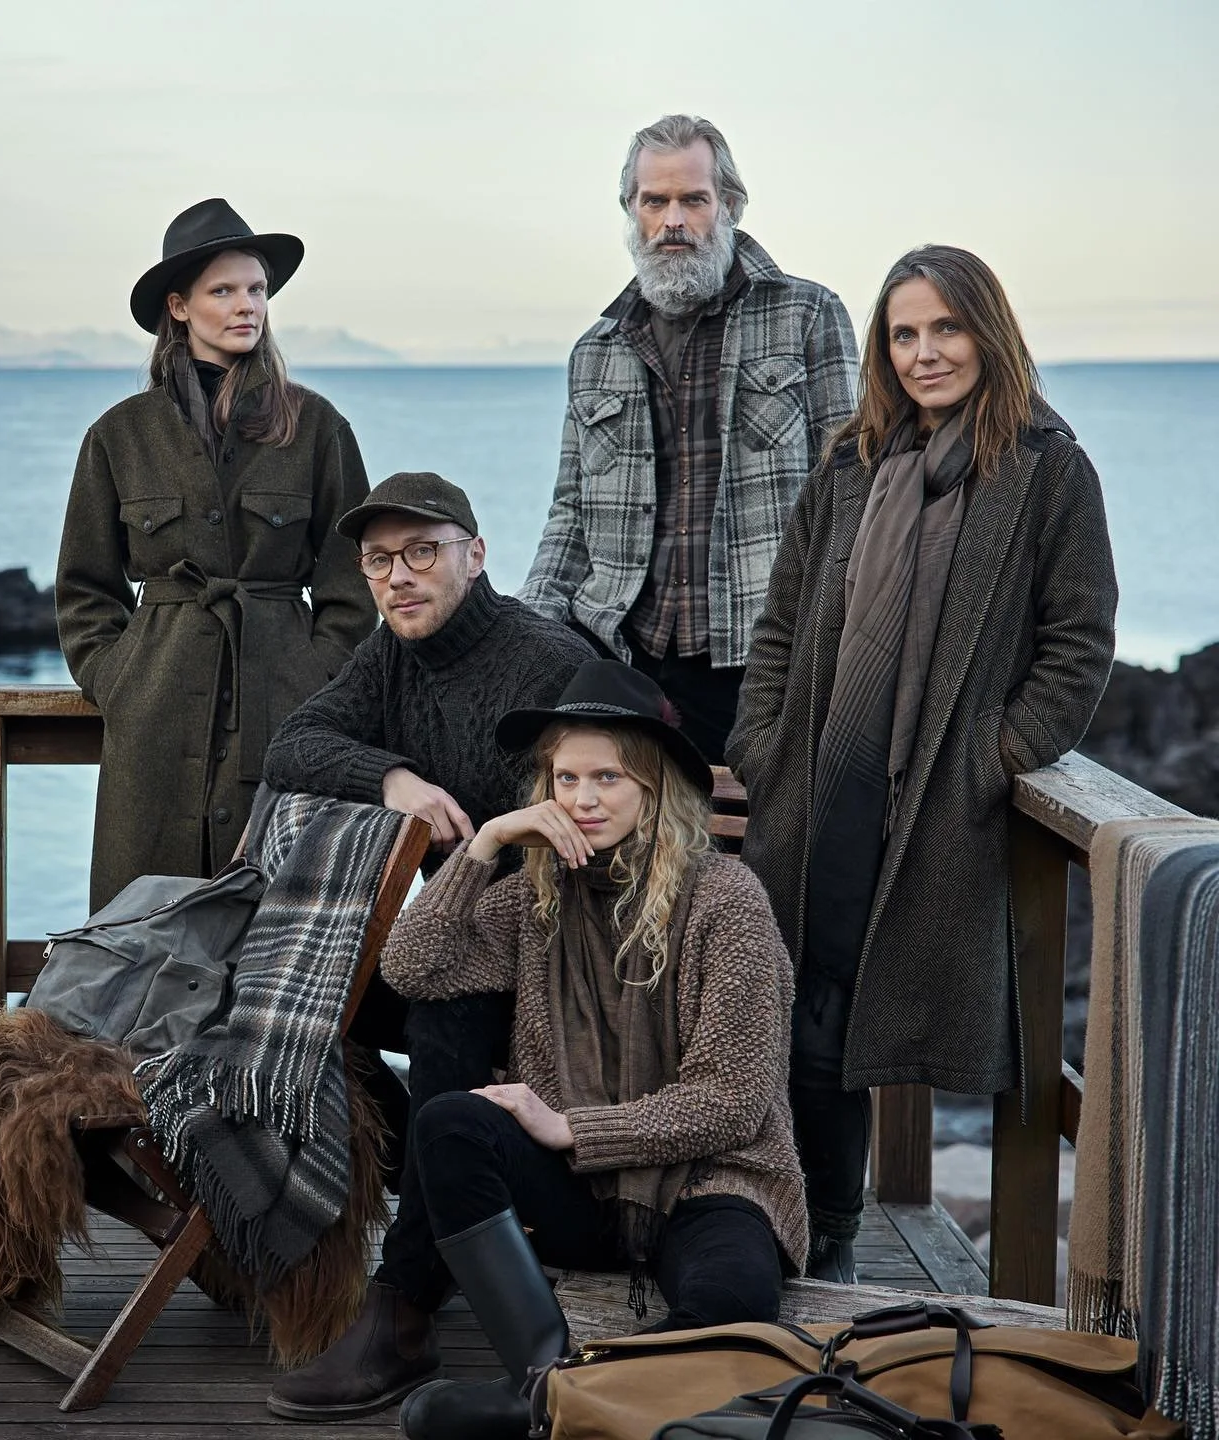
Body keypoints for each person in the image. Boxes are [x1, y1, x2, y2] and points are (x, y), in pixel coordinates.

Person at [727, 245, 1118, 1283]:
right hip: (822, 789)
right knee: (810, 1020)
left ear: (989, 333)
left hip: (943, 803)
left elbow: (1078, 643)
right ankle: (818, 1232)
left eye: (946, 328)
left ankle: (844, 1242)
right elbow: (781, 623)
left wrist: (997, 757)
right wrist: (763, 749)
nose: (925, 352)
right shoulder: (853, 461)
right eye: (905, 333)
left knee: (880, 1018)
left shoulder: (1047, 470)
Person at [361, 660, 805, 1440]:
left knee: (735, 1303)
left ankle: (559, 1405)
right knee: (447, 1126)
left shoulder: (727, 900)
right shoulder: (537, 896)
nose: (584, 799)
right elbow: (412, 968)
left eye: (607, 777)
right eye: (565, 779)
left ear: (654, 786)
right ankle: (541, 1372)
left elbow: (733, 1099)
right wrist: (488, 841)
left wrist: (574, 1128)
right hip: (586, 1195)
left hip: (707, 1186)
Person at [264, 471, 595, 1421]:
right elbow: (297, 741)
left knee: (446, 1008)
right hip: (467, 929)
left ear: (475, 556)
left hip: (568, 946)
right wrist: (394, 776)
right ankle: (445, 1187)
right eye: (378, 560)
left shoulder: (543, 662)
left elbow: (622, 797)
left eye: (422, 553)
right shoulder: (395, 653)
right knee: (316, 1003)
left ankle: (405, 1305)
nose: (399, 577)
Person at [55, 199, 374, 910]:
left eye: (256, 289)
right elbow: (84, 588)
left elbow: (354, 582)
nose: (247, 306)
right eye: (223, 291)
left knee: (273, 925)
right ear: (179, 306)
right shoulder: (119, 436)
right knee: (141, 929)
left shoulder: (316, 426)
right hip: (155, 712)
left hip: (283, 706)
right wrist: (119, 680)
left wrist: (316, 676)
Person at [519, 114, 858, 763]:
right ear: (631, 210)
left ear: (727, 205)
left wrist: (833, 649)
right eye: (655, 201)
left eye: (692, 199)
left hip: (759, 663)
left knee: (753, 858)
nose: (672, 220)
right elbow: (569, 516)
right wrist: (525, 635)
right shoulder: (595, 350)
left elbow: (854, 497)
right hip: (619, 658)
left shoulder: (808, 315)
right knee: (616, 857)